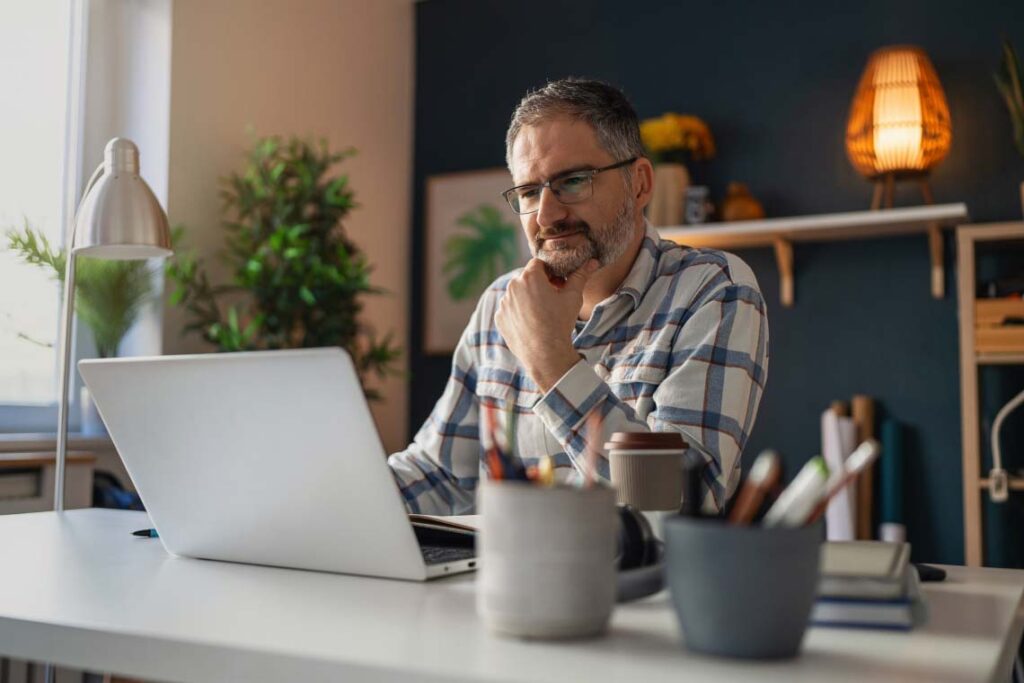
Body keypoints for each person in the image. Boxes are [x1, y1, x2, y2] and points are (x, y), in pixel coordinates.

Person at [389, 78, 769, 515]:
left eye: (572, 181)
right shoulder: (500, 303)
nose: (547, 214)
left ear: (640, 184)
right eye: (530, 192)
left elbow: (678, 504)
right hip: (508, 577)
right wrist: (333, 501)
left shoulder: (713, 290)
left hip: (636, 583)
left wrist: (549, 358)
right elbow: (441, 474)